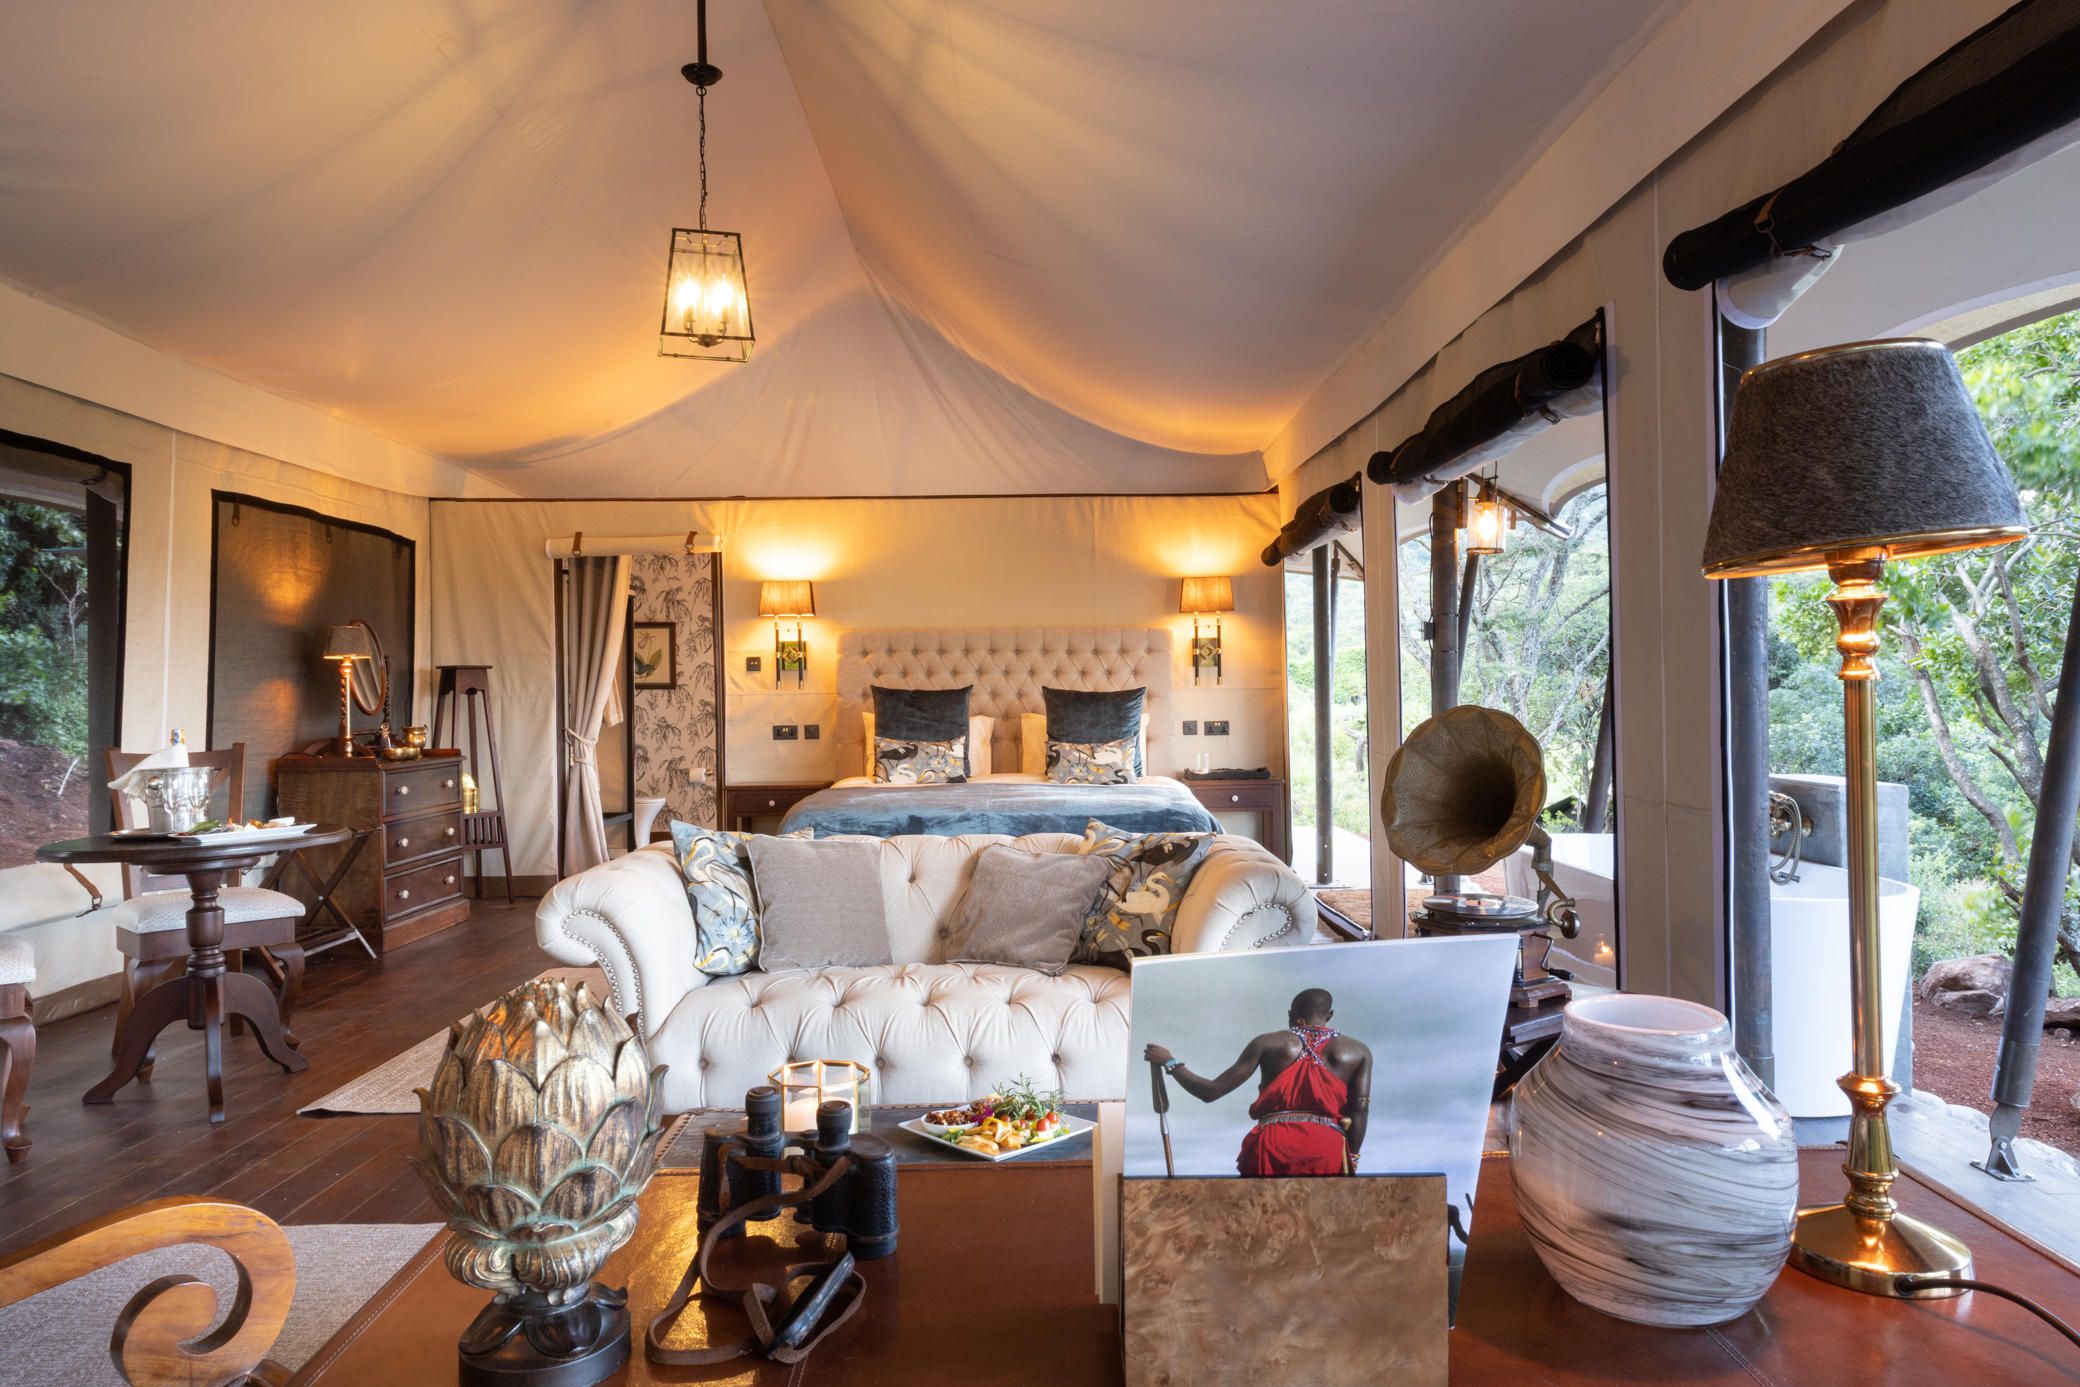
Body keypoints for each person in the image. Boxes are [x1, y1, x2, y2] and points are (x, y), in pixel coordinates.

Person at [1143, 987, 1370, 1176]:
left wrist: (1170, 1062)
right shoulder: (1358, 1051)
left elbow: (1211, 1091)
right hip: (1327, 1148)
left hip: (1273, 1144)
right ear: (1329, 1015)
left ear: (1290, 1014)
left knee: (1258, 1215)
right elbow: (1359, 1110)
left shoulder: (1267, 1042)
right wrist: (1352, 1158)